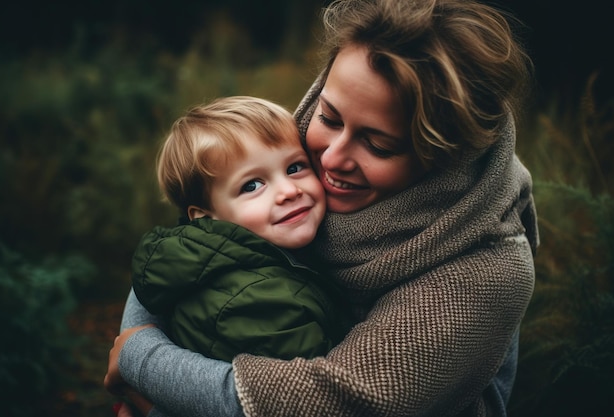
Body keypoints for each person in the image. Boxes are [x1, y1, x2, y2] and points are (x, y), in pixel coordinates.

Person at [105, 0, 539, 416]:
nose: (330, 159)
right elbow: (195, 246)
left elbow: (330, 402)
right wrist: (137, 335)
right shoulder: (299, 169)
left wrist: (144, 363)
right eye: (329, 117)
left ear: (443, 160)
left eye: (378, 144)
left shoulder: (483, 273)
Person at [131, 96, 348, 362]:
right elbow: (308, 395)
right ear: (205, 218)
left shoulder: (271, 262)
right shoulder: (258, 304)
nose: (289, 191)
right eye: (252, 186)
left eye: (294, 167)